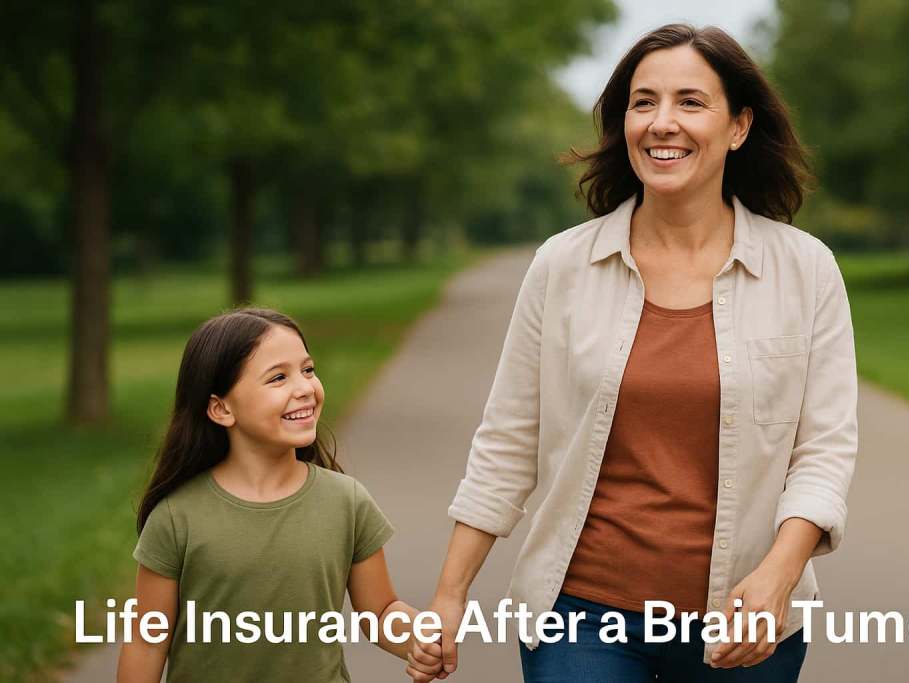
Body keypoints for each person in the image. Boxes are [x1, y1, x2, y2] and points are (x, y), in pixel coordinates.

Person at [427, 23, 858, 682]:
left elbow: (823, 448)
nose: (662, 122)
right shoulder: (563, 266)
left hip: (743, 617)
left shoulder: (806, 270)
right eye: (643, 102)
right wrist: (449, 595)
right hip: (582, 614)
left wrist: (781, 573)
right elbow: (508, 441)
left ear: (739, 126)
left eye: (691, 102)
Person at [117, 308, 443, 682]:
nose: (304, 388)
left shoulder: (346, 502)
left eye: (308, 370)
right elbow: (147, 641)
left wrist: (420, 639)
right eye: (278, 378)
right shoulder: (178, 517)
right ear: (222, 408)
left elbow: (381, 611)